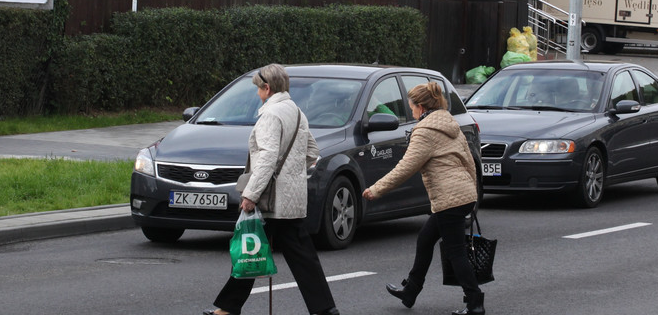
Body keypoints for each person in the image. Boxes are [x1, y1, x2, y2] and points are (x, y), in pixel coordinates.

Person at [202, 63, 340, 315]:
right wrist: (291, 173)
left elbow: (266, 158)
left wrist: (250, 195)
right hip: (293, 199)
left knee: (250, 250)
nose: (257, 94)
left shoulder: (270, 115)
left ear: (267, 88)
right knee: (302, 258)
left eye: (258, 88)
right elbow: (312, 152)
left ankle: (228, 309)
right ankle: (325, 309)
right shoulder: (297, 112)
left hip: (271, 199)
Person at [362, 82, 484, 315]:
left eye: (411, 107)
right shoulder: (450, 123)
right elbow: (468, 159)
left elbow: (406, 167)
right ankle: (411, 291)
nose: (412, 112)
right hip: (461, 194)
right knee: (425, 240)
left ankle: (475, 302)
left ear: (420, 106)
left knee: (456, 251)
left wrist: (376, 189)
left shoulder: (425, 131)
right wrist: (471, 190)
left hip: (450, 197)